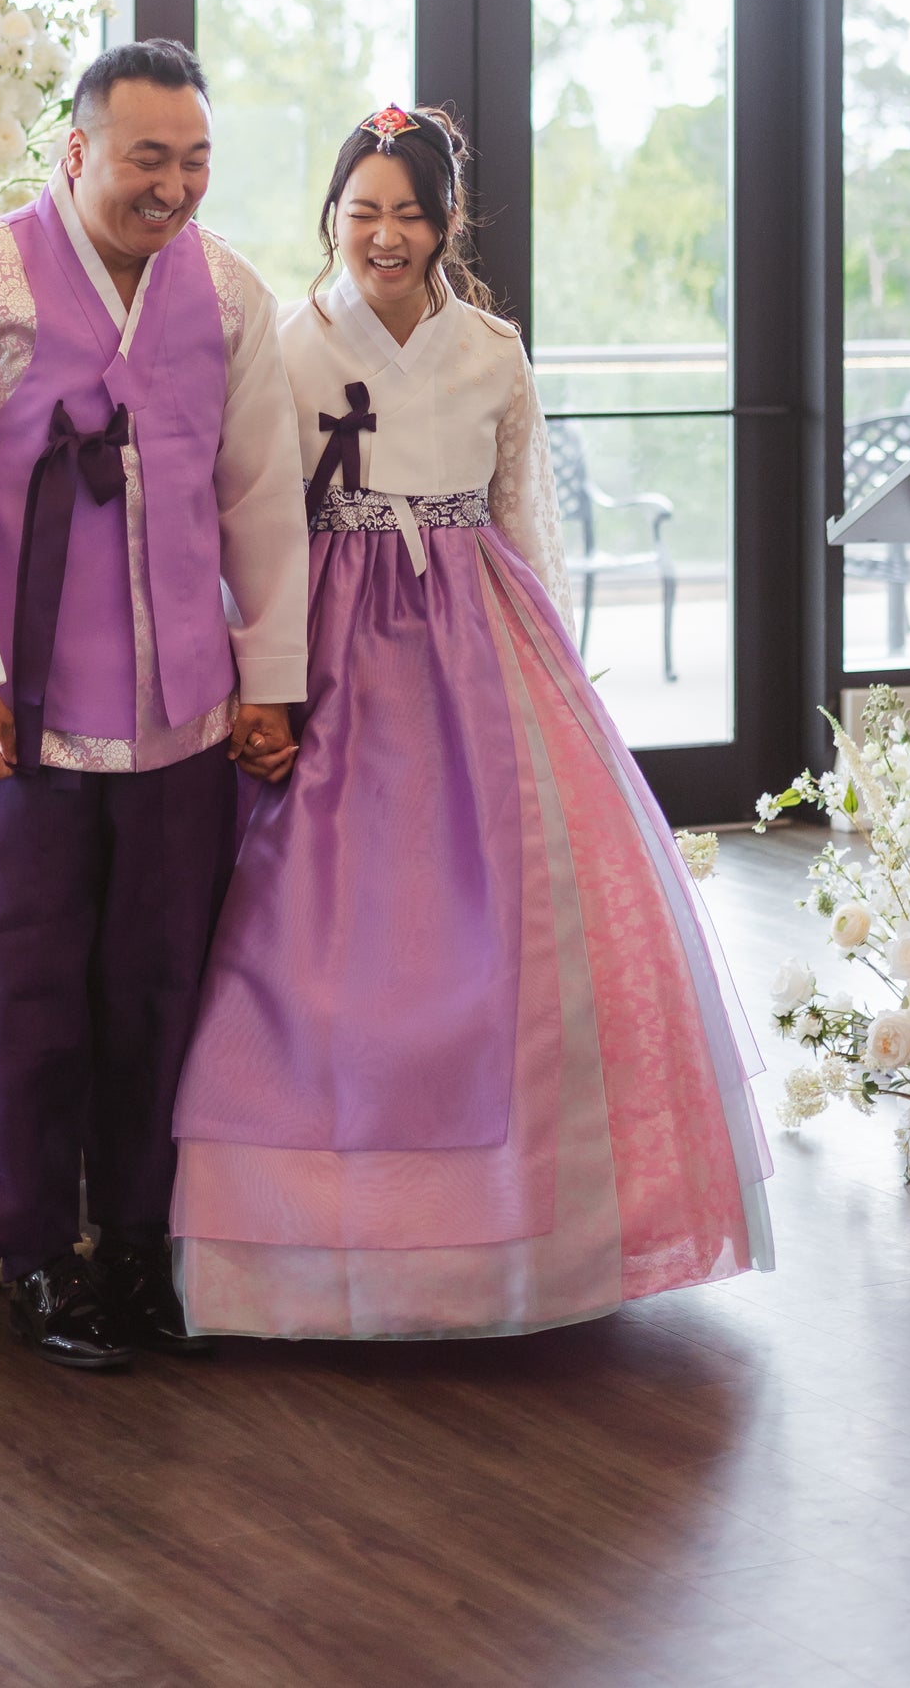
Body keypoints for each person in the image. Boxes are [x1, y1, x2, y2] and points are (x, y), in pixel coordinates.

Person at [171, 103, 772, 1339]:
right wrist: (255, 676)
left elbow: (519, 515)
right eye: (361, 213)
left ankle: (529, 1246)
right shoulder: (282, 344)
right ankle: (295, 1255)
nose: (383, 236)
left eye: (408, 214)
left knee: (517, 911)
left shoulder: (492, 348)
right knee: (317, 922)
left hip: (472, 632)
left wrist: (556, 668)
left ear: (445, 226)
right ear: (331, 220)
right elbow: (250, 519)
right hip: (329, 634)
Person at [0, 38, 308, 1370]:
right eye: (145, 157)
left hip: (184, 716)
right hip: (21, 716)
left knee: (161, 986)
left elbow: (260, 494)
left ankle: (136, 1239)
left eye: (194, 160)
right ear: (76, 151)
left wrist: (270, 677)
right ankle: (32, 1253)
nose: (171, 185)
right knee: (19, 983)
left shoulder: (228, 294)